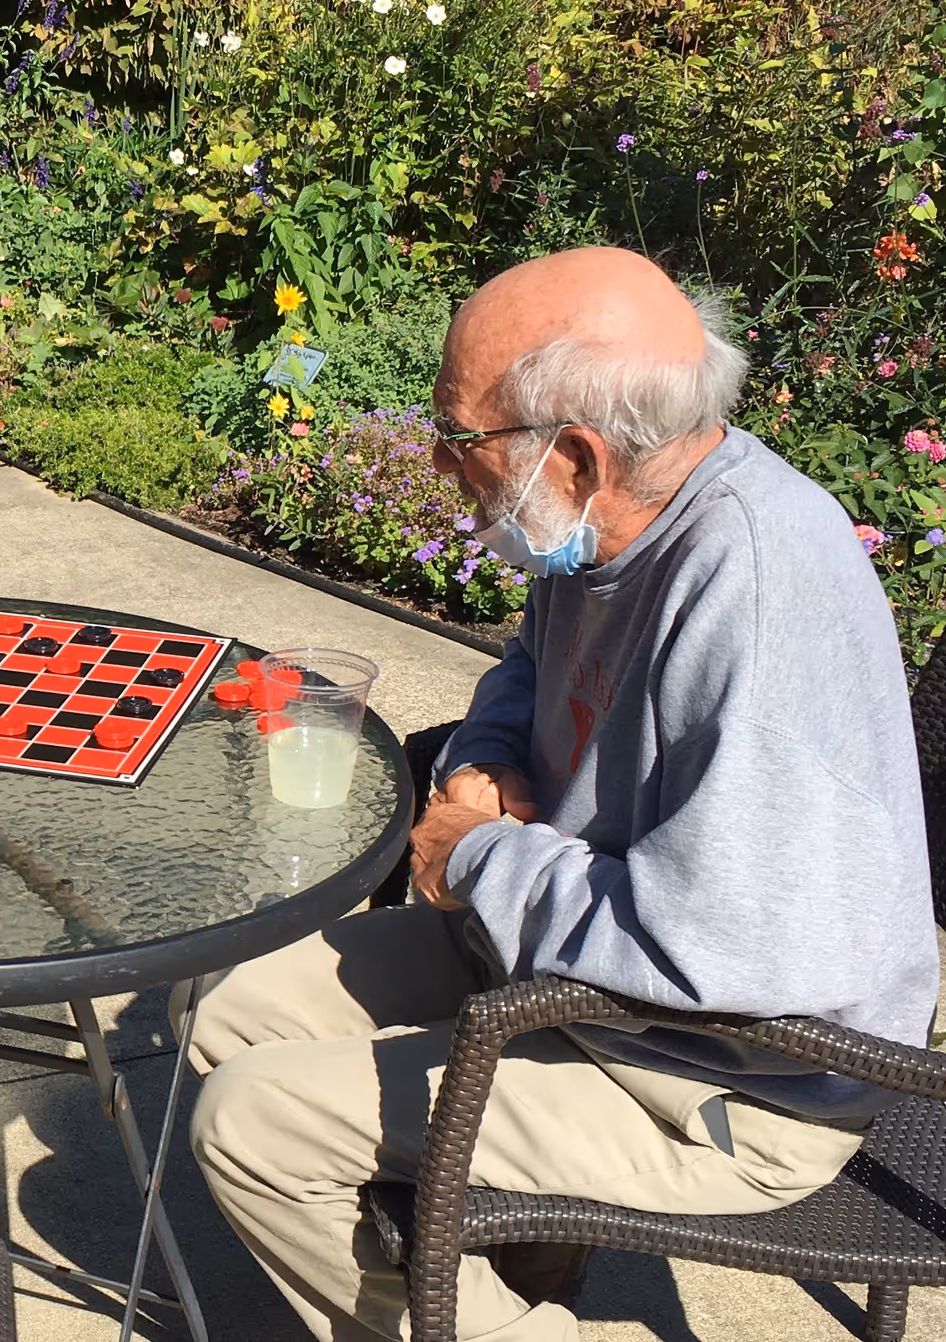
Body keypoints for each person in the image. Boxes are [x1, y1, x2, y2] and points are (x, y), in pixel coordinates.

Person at [186, 245, 939, 1341]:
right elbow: (528, 669)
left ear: (577, 454)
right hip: (566, 959)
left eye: (458, 436)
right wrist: (482, 771)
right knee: (225, 1011)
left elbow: (727, 954)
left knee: (251, 1123)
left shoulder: (757, 589)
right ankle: (498, 1290)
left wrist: (484, 854)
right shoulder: (618, 511)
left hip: (725, 1074)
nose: (441, 465)